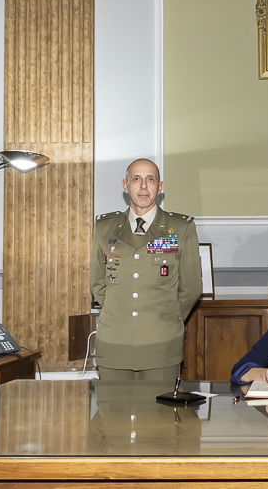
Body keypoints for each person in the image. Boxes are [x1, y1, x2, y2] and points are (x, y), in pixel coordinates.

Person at [90, 158, 203, 381]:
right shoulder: (104, 227)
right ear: (125, 185)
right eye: (136, 179)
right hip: (114, 344)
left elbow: (191, 288)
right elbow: (98, 283)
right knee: (113, 414)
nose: (143, 186)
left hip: (160, 344)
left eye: (150, 179)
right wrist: (120, 311)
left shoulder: (180, 228)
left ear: (160, 187)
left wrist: (165, 318)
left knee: (159, 415)